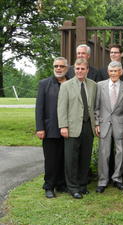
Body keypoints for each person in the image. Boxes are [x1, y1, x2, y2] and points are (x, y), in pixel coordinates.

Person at [57, 58, 97, 199]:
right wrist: (63, 126)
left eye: (82, 68)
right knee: (71, 159)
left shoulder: (93, 85)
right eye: (77, 68)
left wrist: (96, 124)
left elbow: (94, 107)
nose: (80, 71)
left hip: (88, 127)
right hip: (72, 127)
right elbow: (61, 108)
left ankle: (82, 185)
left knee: (85, 158)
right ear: (74, 70)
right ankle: (73, 187)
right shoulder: (66, 86)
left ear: (87, 70)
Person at [94, 61, 123, 193]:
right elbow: (96, 107)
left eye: (116, 71)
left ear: (121, 72)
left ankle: (117, 178)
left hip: (120, 124)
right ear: (108, 72)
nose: (114, 73)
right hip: (104, 123)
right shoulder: (100, 86)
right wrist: (97, 123)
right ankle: (102, 180)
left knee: (120, 152)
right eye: (111, 71)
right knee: (104, 152)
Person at [35, 57, 68, 198]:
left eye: (61, 66)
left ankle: (61, 184)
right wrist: (39, 128)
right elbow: (39, 108)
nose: (58, 69)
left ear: (67, 68)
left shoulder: (71, 82)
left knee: (63, 158)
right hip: (50, 129)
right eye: (56, 66)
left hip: (68, 129)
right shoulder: (44, 84)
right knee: (51, 160)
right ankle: (49, 186)